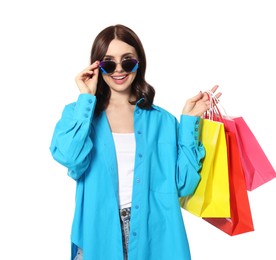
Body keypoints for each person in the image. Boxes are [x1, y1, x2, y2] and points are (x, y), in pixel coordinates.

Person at [50, 24, 221, 260]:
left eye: (127, 61)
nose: (119, 70)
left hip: (155, 233)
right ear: (97, 67)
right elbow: (69, 157)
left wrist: (190, 123)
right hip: (98, 234)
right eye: (108, 63)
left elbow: (183, 185)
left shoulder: (162, 121)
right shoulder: (79, 113)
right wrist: (86, 99)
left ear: (139, 63)